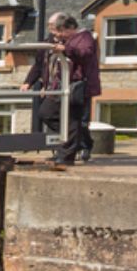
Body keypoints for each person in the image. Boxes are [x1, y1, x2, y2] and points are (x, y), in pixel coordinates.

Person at [24, 12, 99, 165]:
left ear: (70, 28)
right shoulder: (60, 40)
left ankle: (67, 155)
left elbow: (85, 53)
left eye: (59, 30)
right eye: (53, 29)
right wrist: (29, 81)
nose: (56, 34)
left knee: (72, 120)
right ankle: (74, 142)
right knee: (46, 113)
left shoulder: (84, 37)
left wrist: (65, 49)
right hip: (58, 85)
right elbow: (40, 63)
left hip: (76, 86)